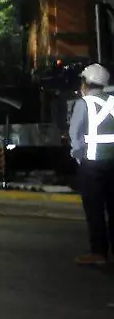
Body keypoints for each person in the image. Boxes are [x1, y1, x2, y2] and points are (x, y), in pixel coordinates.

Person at [69, 63, 114, 265]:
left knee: (95, 210)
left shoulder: (83, 103)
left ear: (86, 83)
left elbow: (75, 137)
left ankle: (99, 253)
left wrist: (80, 159)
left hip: (92, 166)